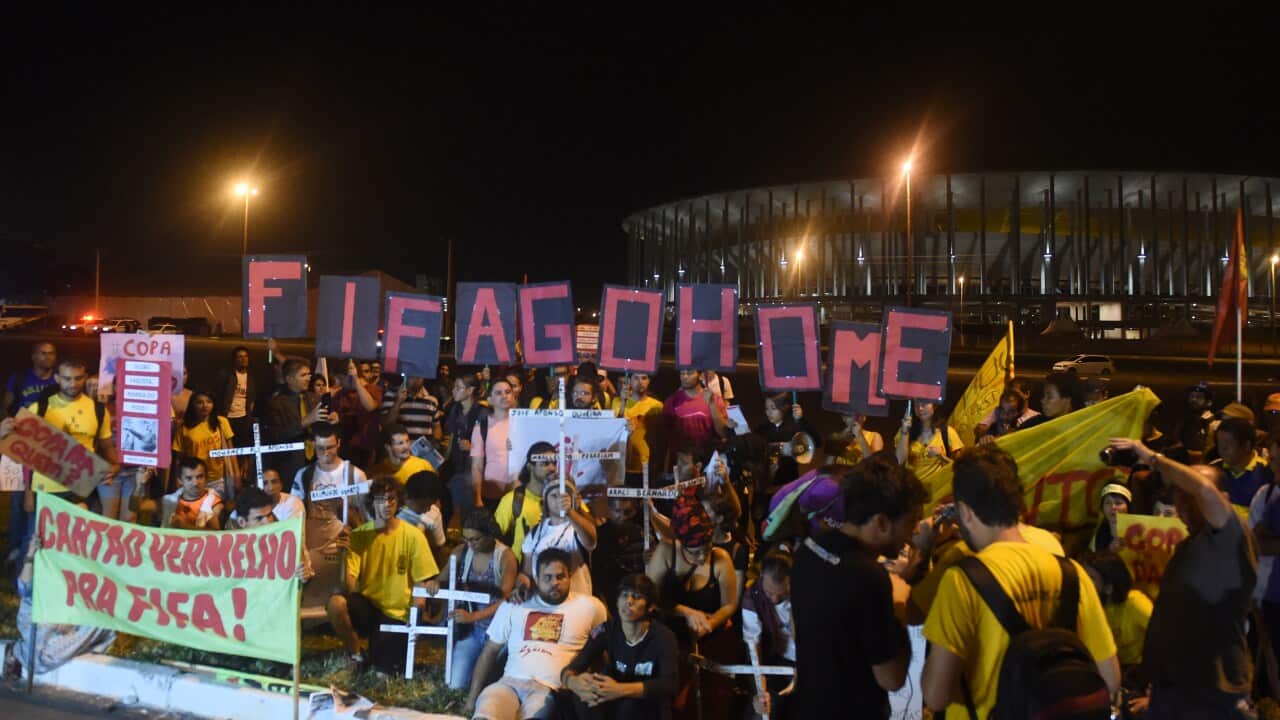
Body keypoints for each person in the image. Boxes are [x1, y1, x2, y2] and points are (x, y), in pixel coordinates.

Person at [921, 444, 1120, 719]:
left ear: (964, 511)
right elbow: (1109, 681)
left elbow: (935, 696)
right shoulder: (1072, 574)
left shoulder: (961, 580)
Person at [1107, 436, 1257, 717]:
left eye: (1193, 492)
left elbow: (1204, 490)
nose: (1186, 500)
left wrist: (1152, 458)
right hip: (1174, 693)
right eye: (1179, 492)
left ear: (1223, 500)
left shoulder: (1230, 536)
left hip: (1215, 698)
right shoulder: (1186, 547)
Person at [790, 457, 924, 719]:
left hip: (808, 706)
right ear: (881, 523)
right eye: (911, 523)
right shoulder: (869, 577)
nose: (915, 532)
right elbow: (892, 678)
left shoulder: (808, 548)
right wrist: (898, 606)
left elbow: (801, 628)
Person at [465, 548, 608, 719]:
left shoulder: (591, 607)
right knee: (486, 712)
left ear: (570, 575)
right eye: (547, 577)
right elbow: (490, 651)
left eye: (560, 576)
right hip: (509, 683)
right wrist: (471, 700)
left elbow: (603, 651)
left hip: (549, 689)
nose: (554, 582)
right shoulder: (514, 604)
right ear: (536, 579)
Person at [645, 487, 739, 720]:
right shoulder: (667, 552)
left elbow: (729, 605)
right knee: (674, 705)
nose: (702, 557)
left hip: (709, 638)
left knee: (710, 704)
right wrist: (686, 612)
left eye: (706, 549)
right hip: (671, 639)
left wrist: (709, 623)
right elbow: (649, 598)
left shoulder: (721, 559)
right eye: (695, 551)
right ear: (682, 543)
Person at [328, 477, 438, 674]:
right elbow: (349, 587)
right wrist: (342, 556)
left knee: (382, 674)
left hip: (397, 613)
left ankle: (382, 653)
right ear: (372, 503)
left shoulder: (414, 536)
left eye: (391, 499)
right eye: (380, 499)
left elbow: (423, 579)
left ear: (398, 501)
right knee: (336, 603)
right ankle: (356, 654)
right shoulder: (359, 535)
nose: (387, 505)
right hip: (369, 607)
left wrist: (418, 609)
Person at [562, 574, 680, 720]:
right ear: (617, 602)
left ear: (650, 607)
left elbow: (669, 684)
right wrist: (573, 682)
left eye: (637, 596)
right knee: (583, 698)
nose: (629, 601)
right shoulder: (607, 630)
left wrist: (620, 690)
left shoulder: (664, 637)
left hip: (648, 706)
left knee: (629, 707)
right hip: (614, 699)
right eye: (624, 595)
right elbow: (574, 666)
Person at [438, 508, 517, 690]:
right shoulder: (462, 552)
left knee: (487, 683)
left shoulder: (505, 557)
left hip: (497, 631)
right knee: (455, 685)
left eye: (475, 539)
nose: (470, 544)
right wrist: (433, 585)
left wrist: (474, 616)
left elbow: (506, 599)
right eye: (466, 539)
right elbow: (441, 579)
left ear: (490, 535)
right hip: (471, 632)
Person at [2, 340, 57, 564]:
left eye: (51, 353)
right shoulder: (21, 379)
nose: (48, 357)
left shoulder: (59, 380)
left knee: (44, 497)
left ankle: (41, 546)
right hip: (21, 445)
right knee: (19, 497)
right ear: (34, 357)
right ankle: (16, 546)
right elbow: (6, 404)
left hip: (51, 447)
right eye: (42, 353)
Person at [291, 423, 370, 561]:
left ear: (339, 443)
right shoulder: (304, 475)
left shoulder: (356, 475)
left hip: (344, 550)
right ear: (313, 445)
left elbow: (366, 516)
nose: (325, 452)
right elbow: (293, 513)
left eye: (330, 447)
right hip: (311, 550)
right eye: (321, 448)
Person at [518, 478, 597, 596]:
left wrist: (569, 512)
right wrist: (523, 583)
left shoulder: (577, 528)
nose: (559, 500)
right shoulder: (536, 531)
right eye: (554, 496)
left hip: (575, 599)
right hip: (544, 599)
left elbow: (591, 541)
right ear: (545, 501)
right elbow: (527, 570)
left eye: (564, 496)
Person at [264, 359, 333, 491]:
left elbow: (320, 428)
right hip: (290, 464)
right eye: (303, 375)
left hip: (315, 462)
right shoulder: (276, 403)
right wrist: (305, 421)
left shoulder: (314, 398)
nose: (308, 378)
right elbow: (276, 436)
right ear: (289, 379)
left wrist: (330, 421)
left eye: (309, 374)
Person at [743, 551, 796, 720]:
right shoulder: (753, 596)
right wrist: (761, 690)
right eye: (770, 593)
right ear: (761, 577)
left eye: (781, 594)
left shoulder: (807, 591)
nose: (774, 600)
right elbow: (753, 646)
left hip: (811, 660)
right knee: (760, 712)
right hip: (776, 661)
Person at [1080, 551, 1153, 674]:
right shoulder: (1085, 605)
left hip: (1137, 670)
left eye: (1091, 578)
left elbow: (1166, 635)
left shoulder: (1135, 603)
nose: (1084, 583)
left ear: (1109, 588)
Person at [172, 390, 239, 501]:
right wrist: (177, 481)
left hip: (219, 478)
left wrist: (236, 475)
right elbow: (178, 459)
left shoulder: (221, 422)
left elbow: (231, 450)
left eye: (209, 402)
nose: (205, 406)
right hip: (195, 479)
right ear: (193, 405)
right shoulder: (184, 428)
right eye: (199, 402)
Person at [496, 441, 555, 566]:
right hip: (521, 573)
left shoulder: (564, 497)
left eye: (554, 463)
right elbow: (494, 539)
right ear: (530, 466)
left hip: (554, 573)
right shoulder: (511, 500)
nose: (552, 468)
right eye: (545, 463)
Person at [442, 372, 488, 523]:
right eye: (454, 387)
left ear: (470, 390)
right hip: (456, 465)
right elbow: (453, 436)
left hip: (474, 470)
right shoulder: (455, 409)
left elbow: (490, 443)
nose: (453, 391)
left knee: (470, 510)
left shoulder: (482, 412)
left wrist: (473, 447)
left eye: (458, 387)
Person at [661, 369, 730, 467]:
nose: (685, 377)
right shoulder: (672, 401)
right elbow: (664, 436)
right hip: (683, 465)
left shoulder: (715, 400)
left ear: (701, 376)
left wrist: (711, 404)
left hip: (709, 462)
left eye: (689, 373)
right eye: (682, 373)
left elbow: (723, 433)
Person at [1211, 416, 1272, 513]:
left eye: (1228, 444)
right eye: (1219, 443)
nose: (1222, 449)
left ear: (1247, 446)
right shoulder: (1213, 470)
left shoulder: (1267, 473)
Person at [894, 400, 962, 486]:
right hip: (912, 491)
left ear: (934, 405)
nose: (920, 408)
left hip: (938, 493)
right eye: (916, 405)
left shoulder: (948, 432)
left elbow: (960, 468)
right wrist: (905, 431)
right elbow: (899, 461)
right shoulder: (906, 431)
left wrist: (941, 456)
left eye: (924, 403)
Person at [471, 378, 515, 511]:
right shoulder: (482, 427)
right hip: (491, 495)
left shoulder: (523, 424)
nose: (504, 396)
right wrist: (477, 498)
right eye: (498, 393)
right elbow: (477, 466)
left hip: (517, 495)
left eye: (508, 392)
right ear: (489, 399)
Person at [333, 359, 384, 468]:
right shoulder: (339, 394)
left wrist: (356, 382)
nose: (339, 382)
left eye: (341, 378)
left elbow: (370, 406)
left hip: (367, 447)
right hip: (346, 448)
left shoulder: (373, 390)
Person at [619, 372, 664, 485]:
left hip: (649, 465)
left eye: (644, 378)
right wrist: (623, 405)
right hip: (623, 465)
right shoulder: (617, 403)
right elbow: (613, 430)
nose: (640, 382)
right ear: (629, 381)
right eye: (636, 378)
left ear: (649, 381)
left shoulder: (657, 405)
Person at [399, 470, 448, 563]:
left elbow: (438, 548)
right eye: (422, 505)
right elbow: (365, 484)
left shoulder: (432, 516)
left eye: (430, 505)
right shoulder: (388, 496)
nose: (427, 509)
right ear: (406, 496)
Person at [164, 457, 223, 529]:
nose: (195, 483)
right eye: (189, 478)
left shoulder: (214, 503)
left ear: (206, 478)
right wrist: (145, 484)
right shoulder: (169, 500)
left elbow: (217, 535)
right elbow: (146, 507)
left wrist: (185, 526)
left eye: (200, 477)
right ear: (180, 481)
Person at [381, 375, 441, 445]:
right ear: (405, 376)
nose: (416, 379)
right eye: (412, 376)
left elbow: (437, 429)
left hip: (422, 454)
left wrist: (434, 444)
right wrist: (398, 402)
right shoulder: (391, 395)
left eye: (419, 375)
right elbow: (386, 425)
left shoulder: (431, 400)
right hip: (399, 452)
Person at [972, 378, 1039, 437]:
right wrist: (988, 432)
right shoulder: (998, 412)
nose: (1012, 396)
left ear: (1027, 394)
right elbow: (979, 430)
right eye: (1009, 392)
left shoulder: (1036, 418)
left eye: (1015, 393)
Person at [370, 424, 435, 483]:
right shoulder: (379, 470)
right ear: (388, 447)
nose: (406, 446)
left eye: (407, 441)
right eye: (400, 443)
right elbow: (362, 490)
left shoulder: (423, 465)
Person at [1017, 371, 1082, 430]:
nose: (1042, 401)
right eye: (1044, 395)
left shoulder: (1080, 428)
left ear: (1066, 399)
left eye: (1049, 396)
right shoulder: (1033, 426)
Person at [1174, 381, 1217, 463]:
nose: (1194, 400)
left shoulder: (1214, 424)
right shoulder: (1184, 422)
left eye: (1199, 397)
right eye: (1191, 396)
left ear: (1209, 402)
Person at [1089, 483, 1131, 552]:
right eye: (1107, 503)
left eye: (1118, 503)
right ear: (1102, 508)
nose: (1113, 507)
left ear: (1128, 507)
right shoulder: (1099, 535)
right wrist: (1108, 551)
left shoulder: (1139, 531)